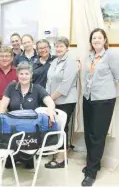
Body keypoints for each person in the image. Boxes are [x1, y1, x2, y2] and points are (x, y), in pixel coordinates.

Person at [0, 62, 56, 169]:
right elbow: (3, 106)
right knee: (9, 165)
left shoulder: (37, 88)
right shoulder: (11, 87)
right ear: (17, 75)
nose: (24, 76)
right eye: (21, 74)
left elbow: (50, 102)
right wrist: (1, 116)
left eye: (26, 74)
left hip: (30, 129)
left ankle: (25, 156)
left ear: (31, 75)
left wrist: (50, 109)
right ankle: (14, 156)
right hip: (14, 127)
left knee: (29, 166)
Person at [81, 28, 119, 187]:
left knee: (97, 135)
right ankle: (93, 164)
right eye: (93, 38)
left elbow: (118, 77)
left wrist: (114, 96)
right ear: (91, 41)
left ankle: (91, 173)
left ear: (104, 40)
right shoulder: (90, 56)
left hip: (103, 100)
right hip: (88, 98)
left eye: (99, 37)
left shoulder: (111, 55)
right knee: (89, 133)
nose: (96, 40)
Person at [45, 37, 78, 168]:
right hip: (53, 100)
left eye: (61, 46)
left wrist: (50, 99)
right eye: (57, 46)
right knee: (55, 127)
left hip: (66, 101)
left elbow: (65, 85)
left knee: (62, 128)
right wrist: (47, 98)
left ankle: (61, 159)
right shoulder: (54, 61)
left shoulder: (70, 62)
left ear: (67, 48)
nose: (58, 49)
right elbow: (49, 81)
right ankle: (57, 153)